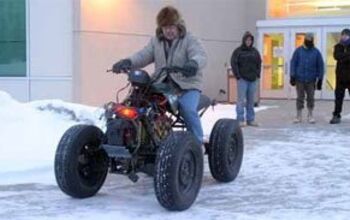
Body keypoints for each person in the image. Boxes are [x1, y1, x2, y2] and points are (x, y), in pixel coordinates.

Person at [112, 6, 207, 143]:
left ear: (178, 25)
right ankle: (139, 137)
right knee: (137, 102)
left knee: (188, 109)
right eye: (165, 27)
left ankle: (197, 144)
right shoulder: (156, 41)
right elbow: (144, 55)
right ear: (160, 27)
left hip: (186, 85)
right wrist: (127, 62)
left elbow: (200, 55)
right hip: (161, 84)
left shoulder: (189, 39)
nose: (168, 30)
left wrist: (193, 64)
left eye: (171, 26)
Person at [290, 33, 324, 124]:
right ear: (305, 40)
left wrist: (320, 79)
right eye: (308, 39)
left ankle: (310, 115)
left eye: (311, 40)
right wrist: (292, 75)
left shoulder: (316, 52)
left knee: (311, 98)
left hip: (311, 79)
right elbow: (293, 63)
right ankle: (298, 115)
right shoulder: (298, 51)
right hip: (299, 79)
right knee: (300, 97)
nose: (309, 41)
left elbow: (320, 66)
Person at [230, 31, 262, 127]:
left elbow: (259, 63)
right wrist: (238, 76)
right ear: (244, 40)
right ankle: (240, 119)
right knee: (241, 100)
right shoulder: (238, 51)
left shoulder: (255, 52)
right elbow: (234, 63)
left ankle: (250, 119)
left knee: (251, 100)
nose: (249, 42)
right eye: (247, 40)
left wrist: (257, 75)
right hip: (242, 79)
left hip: (252, 79)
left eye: (250, 40)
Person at [330, 29, 350, 124]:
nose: (344, 37)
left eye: (346, 35)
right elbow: (336, 56)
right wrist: (347, 56)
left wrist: (343, 57)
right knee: (338, 98)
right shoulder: (337, 46)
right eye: (343, 35)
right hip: (340, 77)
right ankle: (336, 115)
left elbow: (340, 57)